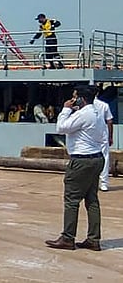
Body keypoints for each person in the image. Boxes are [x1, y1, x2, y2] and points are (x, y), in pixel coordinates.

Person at [45, 85, 105, 251]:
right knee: (92, 199)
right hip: (97, 158)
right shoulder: (97, 113)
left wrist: (65, 110)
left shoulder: (83, 114)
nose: (73, 100)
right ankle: (93, 239)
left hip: (81, 161)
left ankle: (67, 237)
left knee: (71, 199)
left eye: (75, 97)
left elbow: (61, 128)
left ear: (81, 99)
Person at [94, 86, 115, 192]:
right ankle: (104, 183)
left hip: (89, 136)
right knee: (105, 158)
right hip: (102, 135)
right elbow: (110, 121)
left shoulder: (83, 106)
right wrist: (110, 136)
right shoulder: (104, 105)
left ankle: (92, 182)